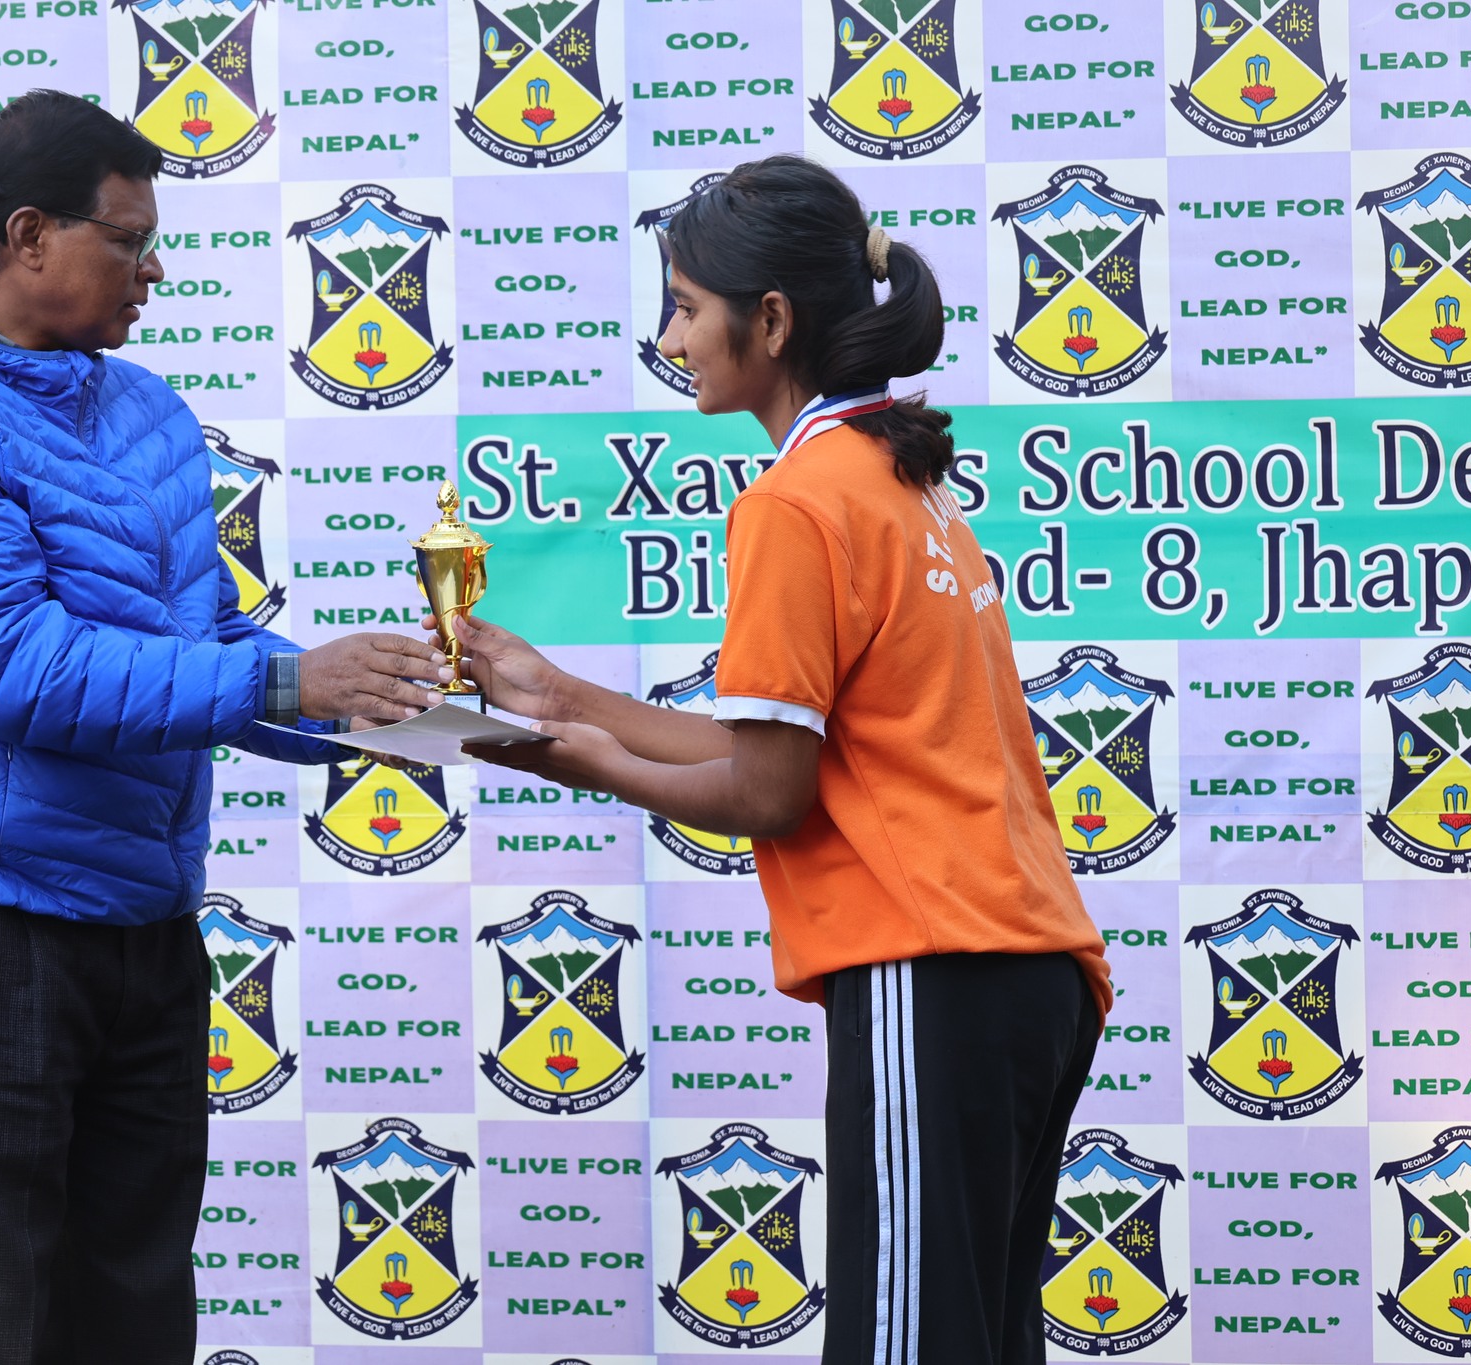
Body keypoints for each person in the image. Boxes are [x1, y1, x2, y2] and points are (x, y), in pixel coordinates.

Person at [0, 91, 451, 1364]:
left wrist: (398, 703)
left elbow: (201, 644)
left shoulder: (143, 409)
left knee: (132, 1321)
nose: (154, 272)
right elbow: (10, 667)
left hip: (139, 930)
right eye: (129, 242)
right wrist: (288, 687)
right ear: (28, 237)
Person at [458, 155, 1110, 1365]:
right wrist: (561, 696)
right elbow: (793, 748)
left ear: (768, 322)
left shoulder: (795, 501)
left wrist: (575, 760)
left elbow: (766, 790)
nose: (670, 340)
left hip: (930, 966)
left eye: (684, 308)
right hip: (1024, 968)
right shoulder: (900, 480)